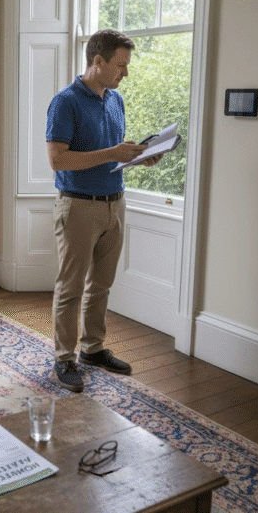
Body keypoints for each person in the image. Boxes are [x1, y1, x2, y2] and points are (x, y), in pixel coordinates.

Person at [44, 29, 163, 392]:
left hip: (115, 203)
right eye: (120, 65)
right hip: (78, 206)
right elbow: (57, 159)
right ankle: (64, 358)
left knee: (102, 286)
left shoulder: (116, 100)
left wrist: (138, 157)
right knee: (71, 288)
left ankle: (92, 350)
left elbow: (110, 157)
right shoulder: (65, 102)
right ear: (97, 61)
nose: (124, 73)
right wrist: (114, 152)